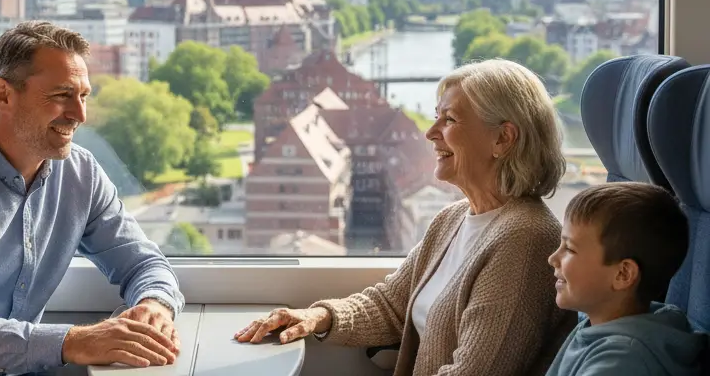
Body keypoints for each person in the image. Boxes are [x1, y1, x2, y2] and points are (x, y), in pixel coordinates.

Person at [0, 21, 184, 376]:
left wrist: (155, 305)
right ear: (3, 94)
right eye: (61, 95)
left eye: (83, 95)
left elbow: (144, 263)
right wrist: (74, 342)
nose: (79, 115)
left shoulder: (81, 174)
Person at [236, 59, 576, 375]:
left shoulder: (525, 240)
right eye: (436, 116)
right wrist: (317, 316)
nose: (430, 132)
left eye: (450, 120)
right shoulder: (453, 219)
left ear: (503, 138)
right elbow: (391, 305)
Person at [546, 182, 705, 375]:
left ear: (623, 274)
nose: (552, 258)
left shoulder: (621, 361)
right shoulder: (599, 326)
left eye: (569, 248)